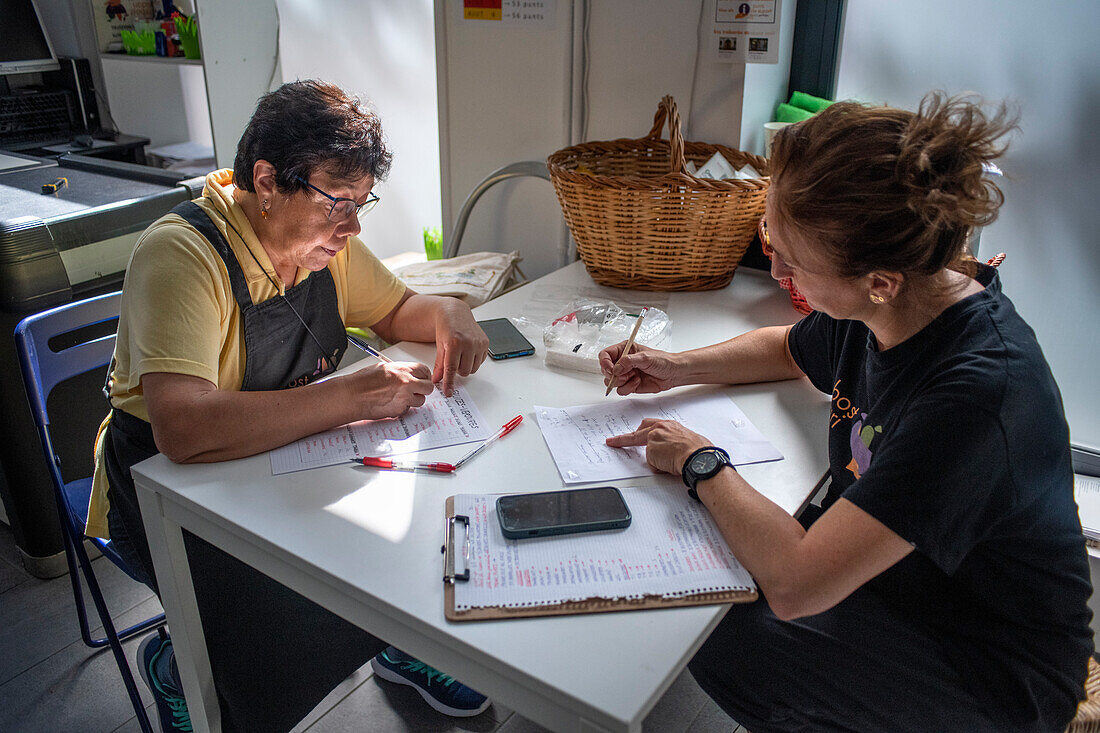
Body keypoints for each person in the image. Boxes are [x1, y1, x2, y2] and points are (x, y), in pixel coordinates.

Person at [600, 92, 1093, 732]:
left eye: (792, 260)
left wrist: (703, 462)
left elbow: (800, 582)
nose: (774, 268)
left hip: (990, 673)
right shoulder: (892, 305)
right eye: (770, 241)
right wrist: (675, 367)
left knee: (725, 631)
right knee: (728, 588)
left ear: (879, 279)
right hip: (910, 590)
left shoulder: (977, 397)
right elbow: (786, 348)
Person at [87, 80, 492, 732]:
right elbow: (184, 428)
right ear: (267, 181)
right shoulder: (183, 254)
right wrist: (348, 396)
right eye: (338, 201)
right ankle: (178, 662)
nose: (353, 226)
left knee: (417, 525)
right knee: (270, 630)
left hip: (287, 462)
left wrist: (447, 311)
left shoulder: (327, 248)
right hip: (167, 494)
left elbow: (395, 310)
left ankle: (399, 638)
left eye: (362, 203)